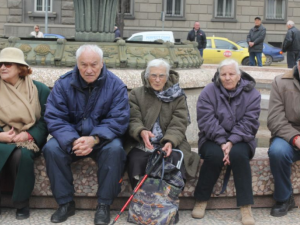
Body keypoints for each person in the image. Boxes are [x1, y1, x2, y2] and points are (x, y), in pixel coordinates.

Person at [42, 44, 130, 225]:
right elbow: (54, 117)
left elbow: (119, 119)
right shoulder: (63, 84)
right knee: (51, 148)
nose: (89, 70)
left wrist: (94, 139)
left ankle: (104, 205)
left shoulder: (116, 86)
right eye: (84, 65)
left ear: (102, 63)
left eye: (94, 64)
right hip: (73, 138)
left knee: (115, 150)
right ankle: (65, 203)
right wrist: (73, 140)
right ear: (77, 64)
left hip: (102, 139)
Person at [125, 58, 200, 223]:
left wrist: (170, 141)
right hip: (143, 141)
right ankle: (141, 202)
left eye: (161, 76)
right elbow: (133, 119)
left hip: (171, 141)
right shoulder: (137, 94)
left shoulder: (177, 95)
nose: (157, 80)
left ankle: (167, 206)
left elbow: (179, 122)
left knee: (174, 160)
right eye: (153, 76)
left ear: (167, 76)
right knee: (135, 159)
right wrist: (142, 131)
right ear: (147, 76)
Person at [192, 59, 261, 225]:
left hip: (242, 138)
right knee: (214, 156)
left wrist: (231, 141)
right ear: (218, 75)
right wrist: (223, 141)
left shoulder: (253, 94)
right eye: (223, 74)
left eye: (231, 74)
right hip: (212, 137)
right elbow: (206, 120)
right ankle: (201, 200)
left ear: (239, 76)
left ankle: (245, 207)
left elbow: (250, 122)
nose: (227, 77)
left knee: (239, 155)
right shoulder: (209, 91)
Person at [0, 47, 50, 220]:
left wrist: (28, 135)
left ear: (20, 68)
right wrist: (2, 136)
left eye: (7, 64)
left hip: (28, 139)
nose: (2, 68)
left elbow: (45, 121)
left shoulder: (40, 90)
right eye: (0, 64)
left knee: (21, 155)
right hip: (1, 137)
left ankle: (22, 203)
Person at [267, 58, 300, 217]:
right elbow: (274, 119)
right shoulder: (280, 82)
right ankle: (284, 198)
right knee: (278, 152)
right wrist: (295, 138)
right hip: (287, 134)